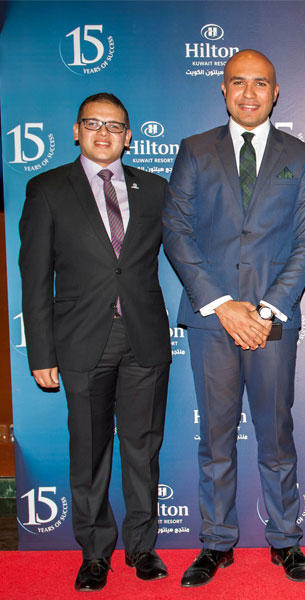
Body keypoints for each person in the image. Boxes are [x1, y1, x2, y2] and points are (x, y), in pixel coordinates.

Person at [162, 49, 305, 586]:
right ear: (223, 89)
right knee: (215, 439)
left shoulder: (302, 156)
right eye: (238, 82)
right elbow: (176, 231)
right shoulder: (194, 150)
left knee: (276, 436)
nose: (249, 93)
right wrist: (223, 304)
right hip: (212, 320)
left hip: (273, 320)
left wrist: (267, 307)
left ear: (275, 92)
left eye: (260, 83)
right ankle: (215, 543)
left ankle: (285, 541)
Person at [19, 93, 171, 591]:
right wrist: (41, 352)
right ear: (76, 131)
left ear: (129, 137)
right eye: (93, 123)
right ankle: (94, 553)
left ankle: (143, 547)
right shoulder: (47, 189)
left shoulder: (155, 189)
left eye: (114, 126)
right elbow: (34, 278)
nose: (104, 133)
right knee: (88, 451)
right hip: (82, 340)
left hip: (144, 337)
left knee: (142, 448)